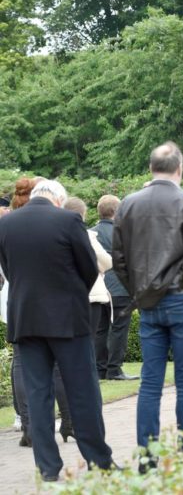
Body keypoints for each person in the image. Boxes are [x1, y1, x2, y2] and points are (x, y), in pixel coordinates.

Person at [0, 180, 114, 481]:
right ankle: (99, 460)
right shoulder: (68, 220)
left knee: (38, 395)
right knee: (83, 391)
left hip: (26, 320)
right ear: (58, 199)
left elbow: (8, 269)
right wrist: (72, 294)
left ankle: (48, 467)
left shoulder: (7, 224)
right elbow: (90, 267)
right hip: (68, 319)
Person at [112, 141, 183, 459]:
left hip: (149, 302)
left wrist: (140, 289)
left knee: (150, 381)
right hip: (180, 300)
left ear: (150, 168)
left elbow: (119, 258)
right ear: (180, 169)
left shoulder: (128, 204)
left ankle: (148, 455)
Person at [6, 177, 74, 449]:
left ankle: (29, 425)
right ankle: (69, 421)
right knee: (56, 364)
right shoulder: (57, 220)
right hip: (52, 301)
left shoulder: (9, 223)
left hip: (18, 297)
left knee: (22, 363)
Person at [91, 195, 137, 380]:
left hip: (99, 287)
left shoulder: (91, 232)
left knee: (100, 329)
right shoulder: (125, 233)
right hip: (120, 288)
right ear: (117, 212)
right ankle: (114, 369)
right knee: (119, 329)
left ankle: (100, 368)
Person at [64, 198, 114, 351]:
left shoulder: (55, 234)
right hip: (91, 294)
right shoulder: (86, 235)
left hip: (65, 295)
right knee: (86, 342)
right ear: (83, 214)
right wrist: (96, 266)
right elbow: (107, 262)